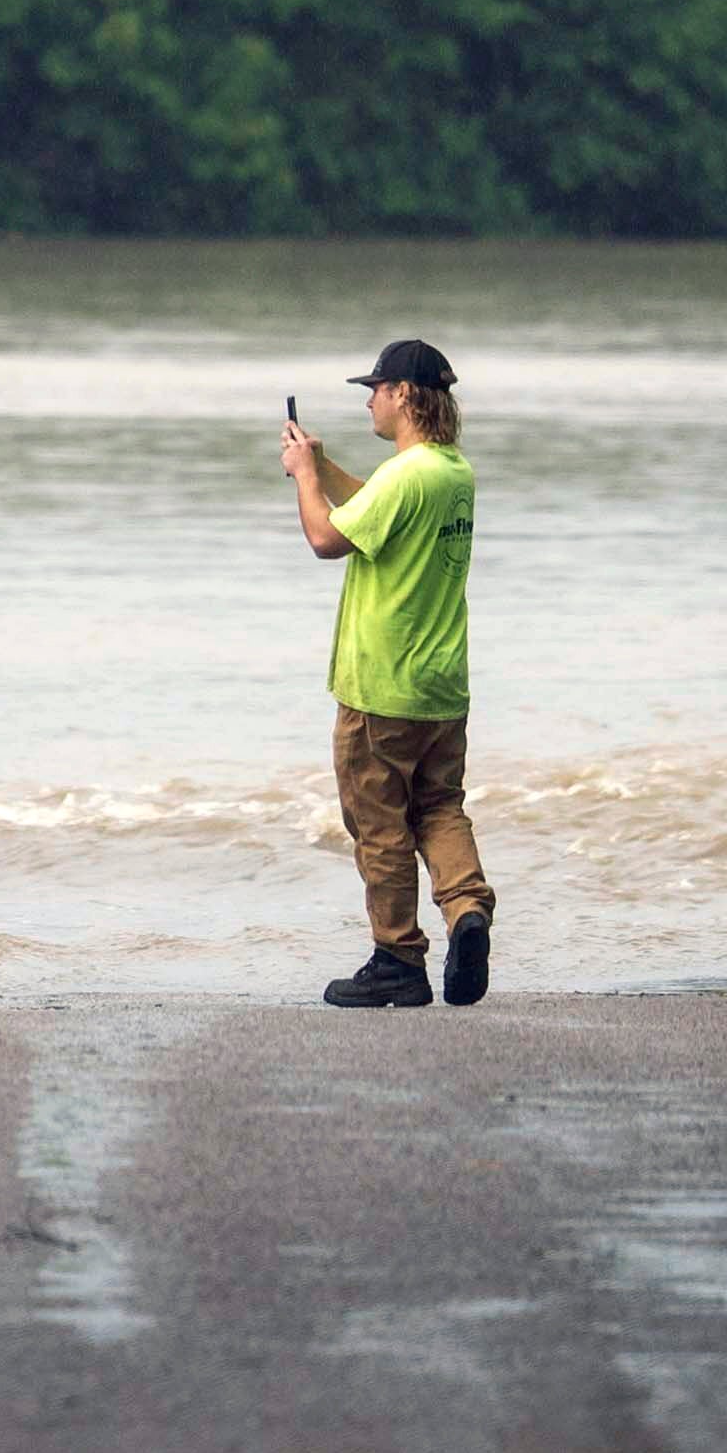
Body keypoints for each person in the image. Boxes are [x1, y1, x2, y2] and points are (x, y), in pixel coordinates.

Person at [279, 337, 488, 1008]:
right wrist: (318, 463)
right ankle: (465, 911)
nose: (369, 399)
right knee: (439, 806)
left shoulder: (407, 476)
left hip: (382, 686)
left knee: (379, 824)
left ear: (403, 394)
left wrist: (305, 482)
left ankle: (397, 958)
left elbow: (325, 540)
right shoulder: (449, 470)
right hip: (440, 684)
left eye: (375, 388)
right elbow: (376, 504)